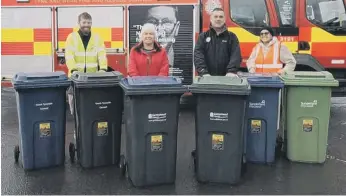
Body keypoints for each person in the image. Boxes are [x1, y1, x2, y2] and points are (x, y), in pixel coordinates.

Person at [65, 12, 108, 115]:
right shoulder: (72, 37)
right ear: (79, 23)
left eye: (89, 22)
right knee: (74, 107)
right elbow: (69, 56)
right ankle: (77, 129)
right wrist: (74, 70)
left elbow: (102, 55)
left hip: (91, 78)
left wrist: (103, 69)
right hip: (75, 78)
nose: (86, 25)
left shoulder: (97, 37)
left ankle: (88, 128)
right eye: (84, 22)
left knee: (91, 106)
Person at [194, 7, 242, 77]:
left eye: (221, 17)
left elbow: (236, 55)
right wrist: (203, 72)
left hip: (227, 78)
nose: (218, 19)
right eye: (215, 16)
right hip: (207, 78)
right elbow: (198, 55)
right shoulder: (203, 37)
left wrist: (231, 71)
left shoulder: (232, 37)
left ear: (224, 19)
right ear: (211, 19)